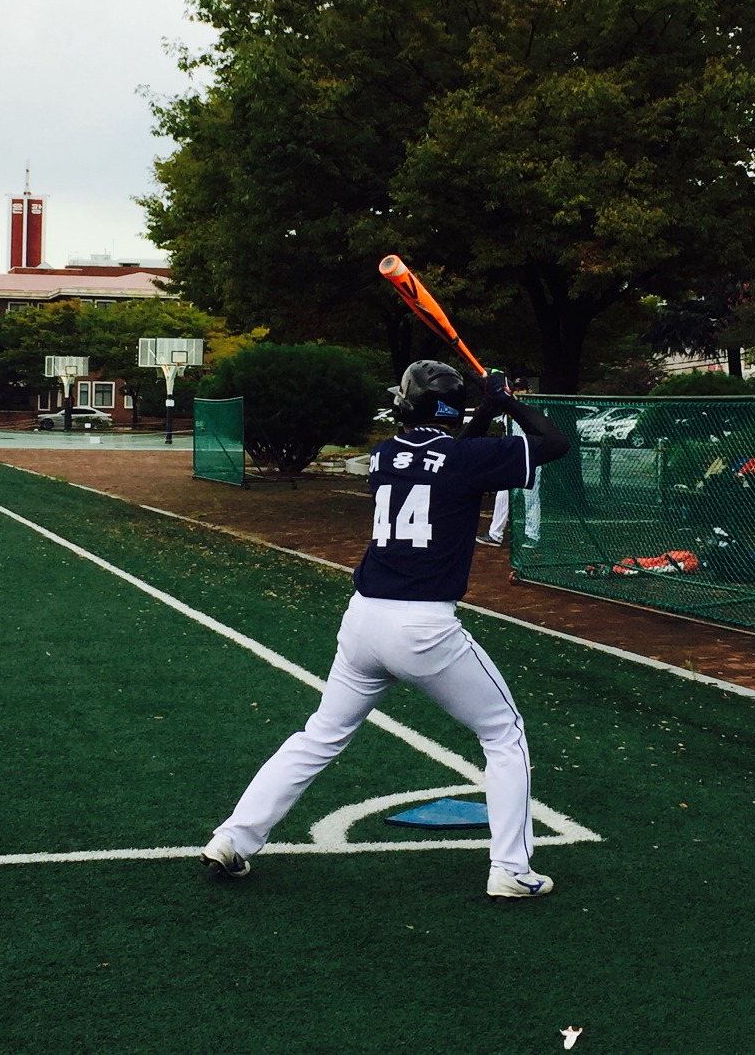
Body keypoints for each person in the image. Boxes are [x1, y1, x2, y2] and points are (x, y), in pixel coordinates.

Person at [201, 360, 570, 898]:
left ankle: (233, 837)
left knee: (320, 736)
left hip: (364, 620)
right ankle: (511, 869)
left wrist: (485, 407)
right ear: (450, 410)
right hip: (424, 627)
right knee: (503, 733)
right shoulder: (463, 459)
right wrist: (506, 400)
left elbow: (448, 460)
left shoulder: (383, 455)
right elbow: (554, 443)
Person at [478, 377, 540, 548]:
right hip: (512, 458)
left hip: (531, 457)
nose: (518, 392)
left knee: (531, 498)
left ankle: (532, 536)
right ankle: (495, 534)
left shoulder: (534, 408)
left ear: (529, 391)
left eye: (521, 389)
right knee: (502, 495)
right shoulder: (509, 409)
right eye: (516, 389)